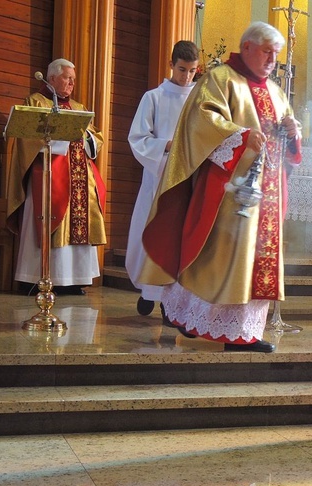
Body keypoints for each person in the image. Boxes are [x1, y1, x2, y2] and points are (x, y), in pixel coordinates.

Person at [138, 22, 302, 353]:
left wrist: (292, 130)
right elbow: (201, 121)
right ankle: (216, 328)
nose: (273, 59)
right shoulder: (221, 79)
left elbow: (287, 138)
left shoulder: (276, 90)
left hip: (266, 193)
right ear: (248, 47)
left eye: (277, 54)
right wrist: (240, 135)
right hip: (229, 192)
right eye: (268, 51)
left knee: (254, 262)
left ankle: (245, 331)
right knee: (225, 258)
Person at [6, 58, 106, 296]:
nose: (71, 83)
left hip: (79, 176)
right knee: (45, 219)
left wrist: (84, 137)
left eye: (73, 79)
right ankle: (35, 278)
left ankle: (73, 279)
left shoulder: (80, 108)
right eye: (67, 78)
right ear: (51, 78)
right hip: (47, 174)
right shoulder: (35, 101)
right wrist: (57, 136)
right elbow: (25, 138)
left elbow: (95, 138)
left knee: (79, 223)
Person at [127, 41, 199, 317]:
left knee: (178, 240)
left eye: (192, 71)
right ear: (171, 65)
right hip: (158, 177)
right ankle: (149, 290)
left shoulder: (199, 99)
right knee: (153, 235)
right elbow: (137, 138)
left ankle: (172, 304)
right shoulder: (153, 97)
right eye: (182, 70)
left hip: (188, 179)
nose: (187, 77)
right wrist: (165, 146)